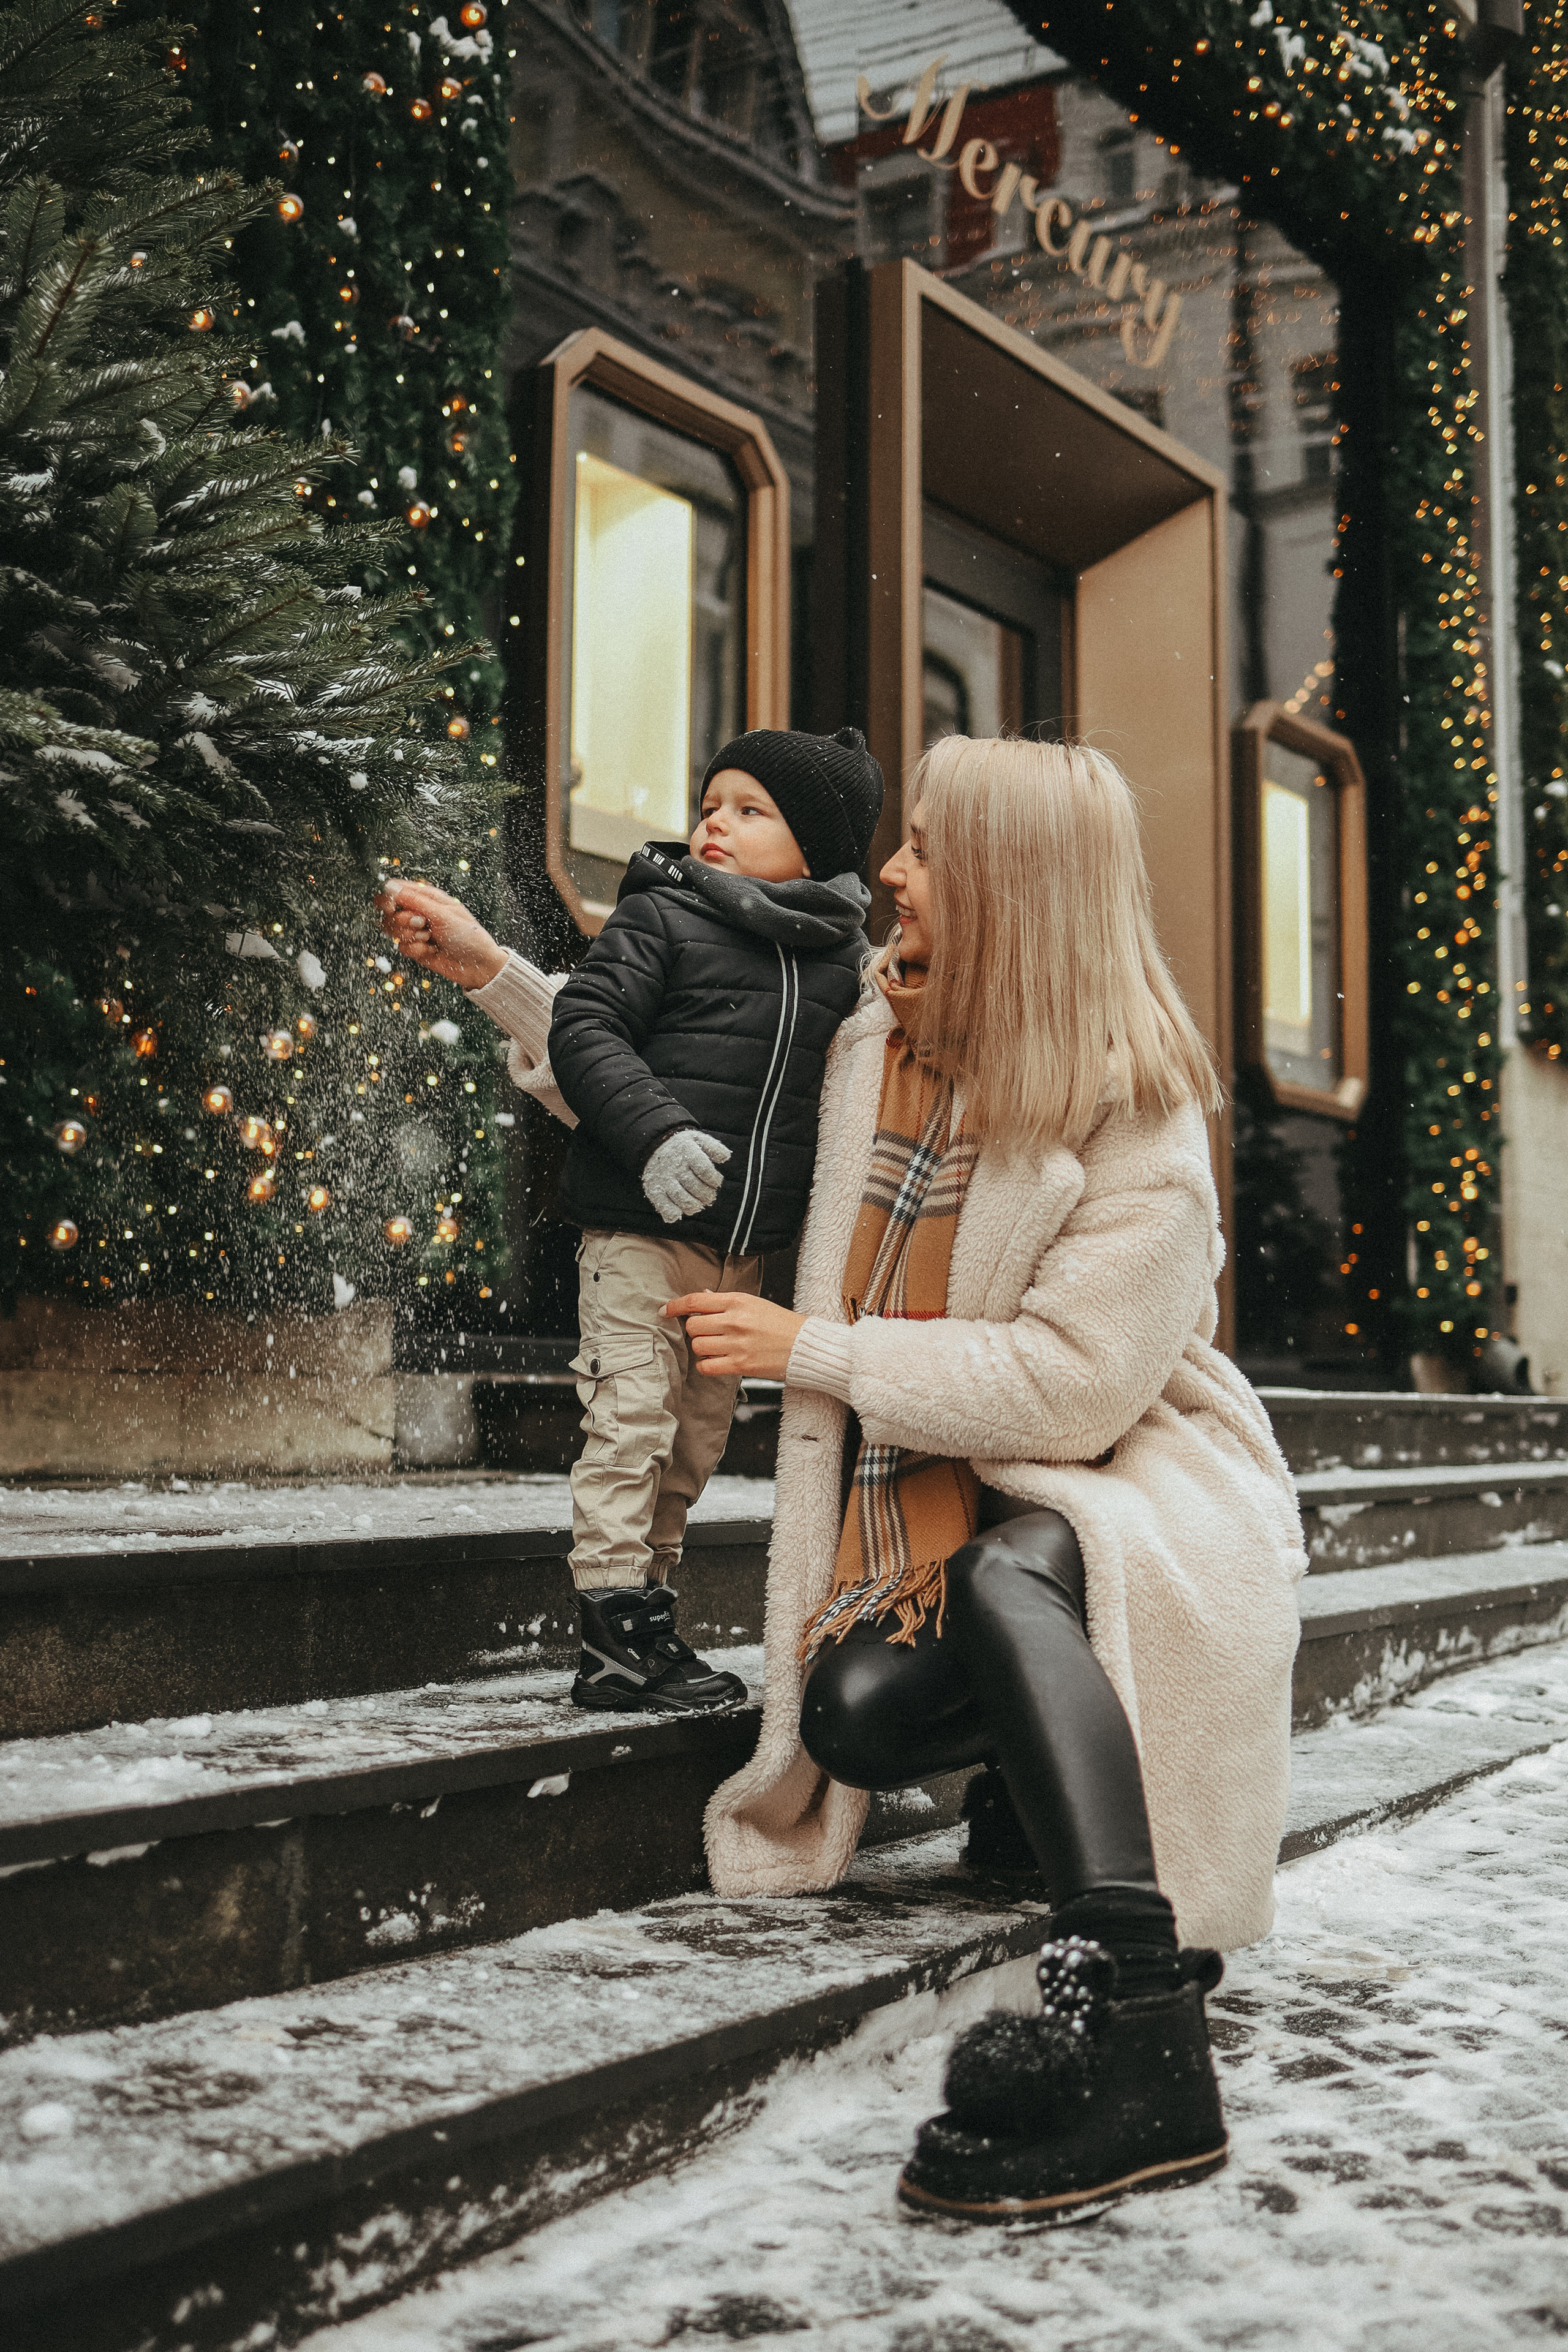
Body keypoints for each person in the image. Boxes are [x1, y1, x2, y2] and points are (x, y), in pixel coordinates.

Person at [663, 734, 1306, 2223]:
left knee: (1026, 1562)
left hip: (1133, 1473)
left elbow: (1074, 1390)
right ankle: (1028, 1777)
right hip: (937, 1487)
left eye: (932, 847)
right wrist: (503, 987)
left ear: (1013, 886)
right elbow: (688, 1061)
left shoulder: (1130, 1097)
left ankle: (1138, 2015)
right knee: (858, 1714)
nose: (891, 868)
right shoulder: (864, 1044)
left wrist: (812, 1347)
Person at [378, 726, 884, 1713]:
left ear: (819, 846)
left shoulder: (844, 969)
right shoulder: (663, 918)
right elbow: (584, 1027)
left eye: (752, 810)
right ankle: (609, 1632)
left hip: (743, 1258)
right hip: (641, 1236)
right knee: (629, 1424)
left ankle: (650, 1618)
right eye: (712, 803)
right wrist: (655, 1138)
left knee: (694, 1443)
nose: (716, 822)